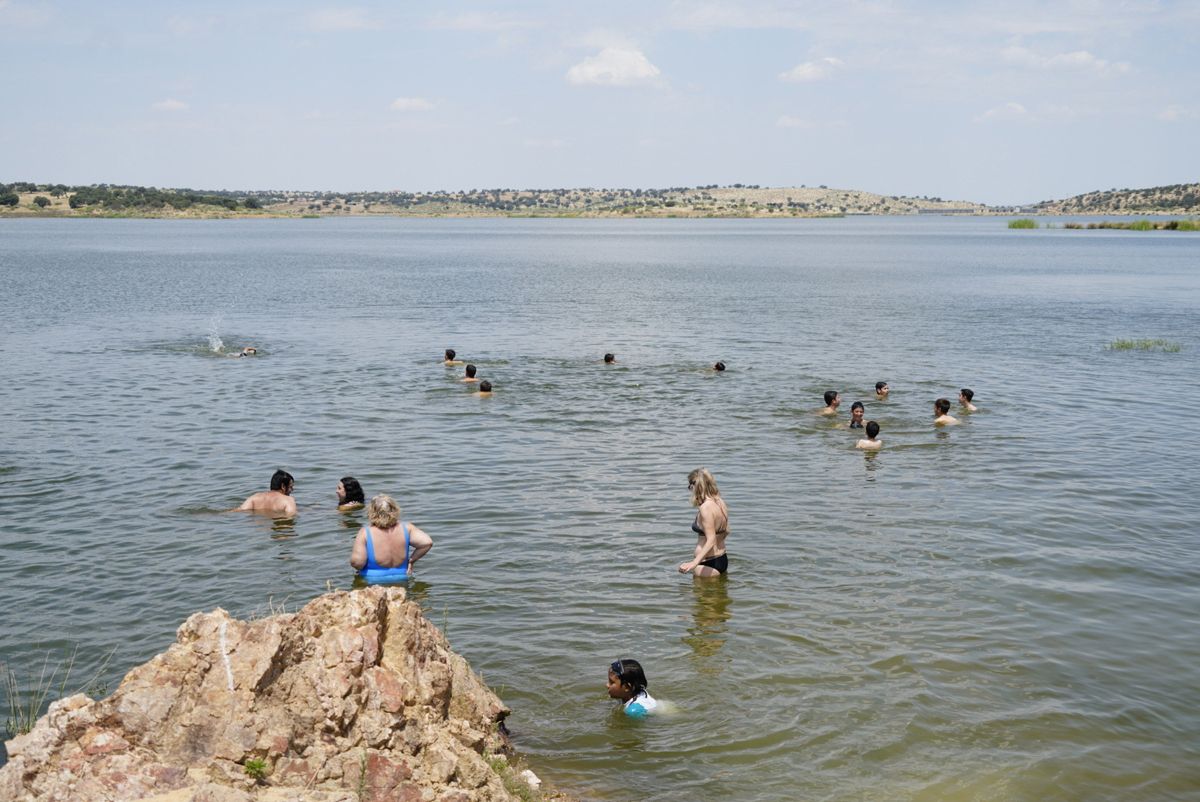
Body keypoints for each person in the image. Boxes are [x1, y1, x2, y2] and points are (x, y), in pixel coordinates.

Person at [350, 494, 433, 583]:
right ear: (394, 510)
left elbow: (357, 563)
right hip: (402, 577)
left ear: (371, 512)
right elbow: (427, 543)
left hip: (373, 581)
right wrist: (411, 561)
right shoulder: (407, 528)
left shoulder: (365, 532)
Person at [679, 468, 729, 577]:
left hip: (707, 564)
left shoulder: (705, 508)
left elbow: (711, 540)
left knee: (700, 594)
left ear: (695, 486)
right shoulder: (720, 502)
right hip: (722, 559)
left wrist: (694, 563)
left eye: (689, 487)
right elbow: (726, 531)